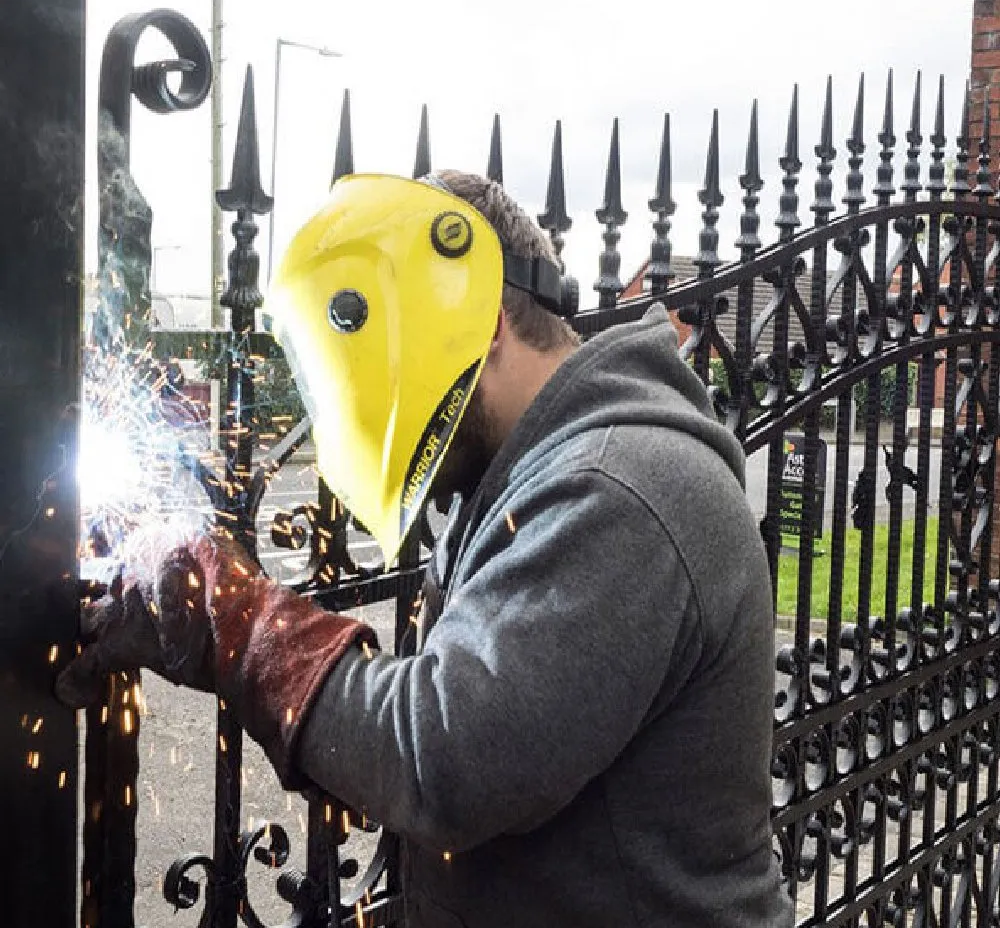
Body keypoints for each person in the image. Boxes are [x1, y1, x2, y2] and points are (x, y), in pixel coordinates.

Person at [58, 170, 793, 928]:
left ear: (477, 322)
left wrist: (236, 617)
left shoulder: (622, 487)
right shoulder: (531, 481)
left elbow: (446, 762)